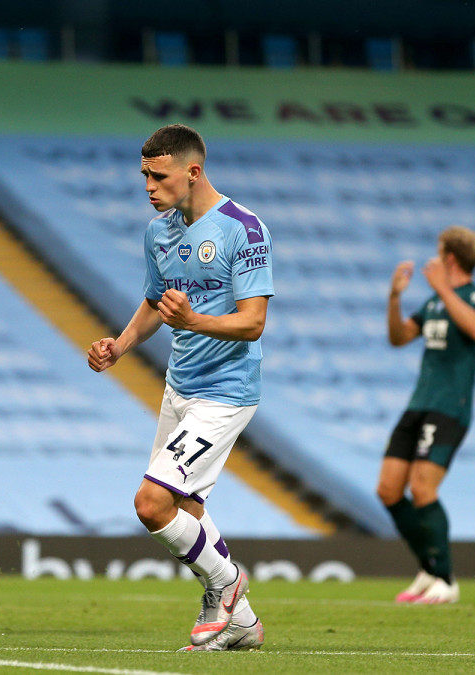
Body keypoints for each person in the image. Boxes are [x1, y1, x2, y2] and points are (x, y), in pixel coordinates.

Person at [87, 124, 272, 652]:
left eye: (159, 176)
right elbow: (155, 301)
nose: (149, 186)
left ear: (193, 172)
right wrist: (120, 346)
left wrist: (193, 321)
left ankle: (227, 583)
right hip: (179, 387)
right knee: (184, 512)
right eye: (144, 175)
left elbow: (253, 322)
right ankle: (244, 624)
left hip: (226, 391)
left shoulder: (243, 229)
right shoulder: (158, 232)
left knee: (151, 503)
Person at [377, 226, 475, 605]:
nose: (434, 260)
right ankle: (429, 566)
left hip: (449, 407)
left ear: (450, 258)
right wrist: (395, 298)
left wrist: (443, 288)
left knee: (423, 488)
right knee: (388, 489)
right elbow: (398, 338)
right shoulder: (433, 303)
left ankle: (445, 578)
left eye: (439, 252)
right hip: (419, 404)